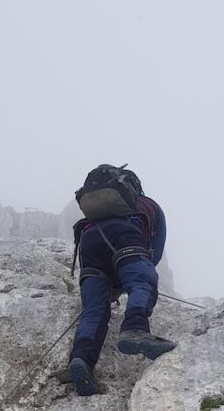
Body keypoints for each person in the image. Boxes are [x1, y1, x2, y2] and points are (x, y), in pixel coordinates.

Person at [67, 165, 175, 396]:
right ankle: (134, 328)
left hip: (89, 244)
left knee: (93, 310)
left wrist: (110, 285)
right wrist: (136, 273)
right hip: (124, 238)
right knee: (141, 281)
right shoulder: (147, 205)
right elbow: (153, 253)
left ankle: (81, 360)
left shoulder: (93, 216)